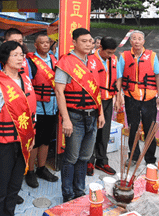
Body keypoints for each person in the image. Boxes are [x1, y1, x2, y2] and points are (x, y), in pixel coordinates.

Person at [0, 41, 36, 216]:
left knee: (15, 186)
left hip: (22, 142)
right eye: (16, 55)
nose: (20, 58)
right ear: (5, 58)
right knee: (0, 188)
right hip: (2, 143)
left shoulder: (26, 80)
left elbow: (32, 112)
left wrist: (31, 135)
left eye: (22, 55)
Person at [55, 28, 105, 202]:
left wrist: (101, 113)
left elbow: (97, 89)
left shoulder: (93, 62)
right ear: (74, 42)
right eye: (84, 41)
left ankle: (79, 191)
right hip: (74, 117)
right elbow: (59, 93)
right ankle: (67, 194)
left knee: (84, 157)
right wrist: (66, 120)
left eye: (90, 41)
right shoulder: (66, 62)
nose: (88, 44)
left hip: (93, 115)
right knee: (71, 158)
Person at [116, 31, 159, 168]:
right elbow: (119, 77)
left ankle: (150, 159)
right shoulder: (124, 56)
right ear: (130, 41)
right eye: (134, 39)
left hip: (149, 97)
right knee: (133, 127)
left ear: (144, 41)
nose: (136, 41)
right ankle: (133, 156)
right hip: (131, 96)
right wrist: (118, 96)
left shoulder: (153, 56)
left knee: (150, 128)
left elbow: (158, 75)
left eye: (139, 39)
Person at [24, 32, 59, 187]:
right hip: (37, 107)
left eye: (48, 42)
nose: (46, 45)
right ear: (35, 45)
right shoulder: (30, 62)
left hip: (52, 106)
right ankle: (29, 171)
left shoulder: (54, 59)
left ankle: (42, 168)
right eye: (42, 43)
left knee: (46, 140)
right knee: (35, 141)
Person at [88, 36, 119, 176]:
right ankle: (88, 160)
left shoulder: (114, 59)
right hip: (94, 100)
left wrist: (118, 97)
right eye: (108, 53)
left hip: (108, 99)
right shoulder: (89, 60)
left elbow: (117, 78)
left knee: (104, 131)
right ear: (100, 48)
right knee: (91, 131)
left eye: (113, 52)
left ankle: (101, 160)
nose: (111, 55)